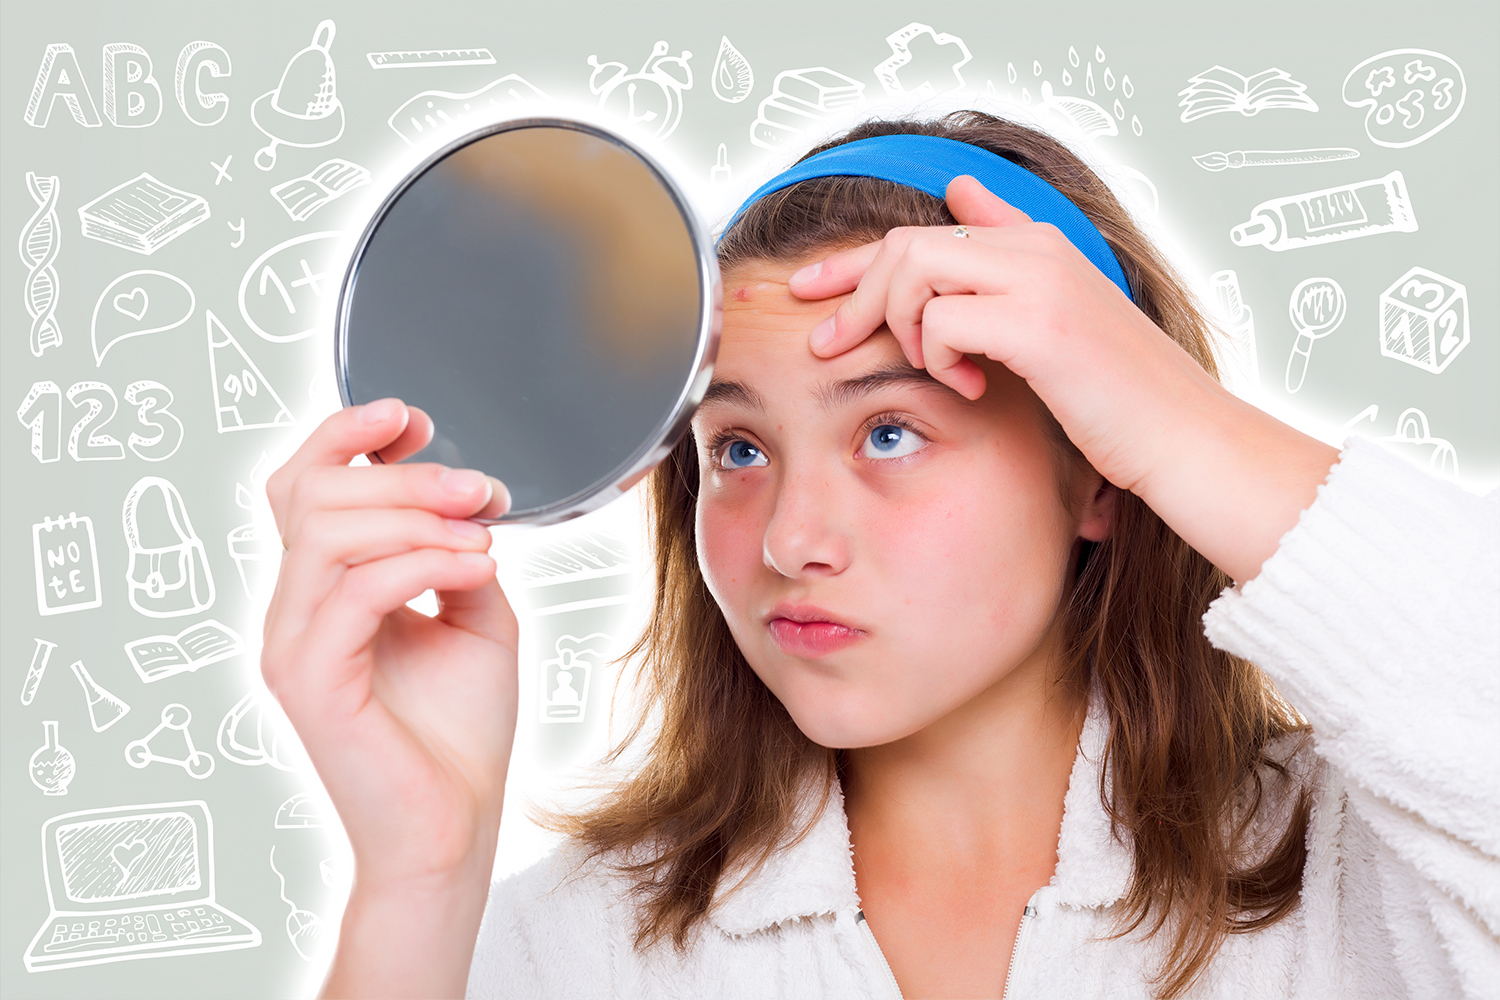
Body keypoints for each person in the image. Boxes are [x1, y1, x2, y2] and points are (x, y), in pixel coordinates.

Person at [262, 111, 1498, 999]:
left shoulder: (1359, 876)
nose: (792, 539)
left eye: (891, 430)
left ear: (1100, 473)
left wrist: (1185, 424)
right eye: (737, 448)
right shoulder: (582, 947)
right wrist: (419, 876)